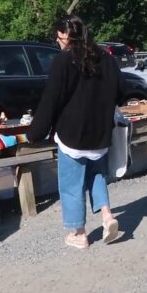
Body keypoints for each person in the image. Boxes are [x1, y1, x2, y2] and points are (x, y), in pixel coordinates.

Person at [27, 14, 126, 249]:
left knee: (72, 183)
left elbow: (50, 100)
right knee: (98, 175)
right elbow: (121, 92)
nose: (58, 42)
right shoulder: (105, 58)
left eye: (59, 38)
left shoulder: (63, 61)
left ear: (66, 37)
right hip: (100, 134)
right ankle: (107, 216)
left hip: (72, 134)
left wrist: (35, 133)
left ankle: (79, 233)